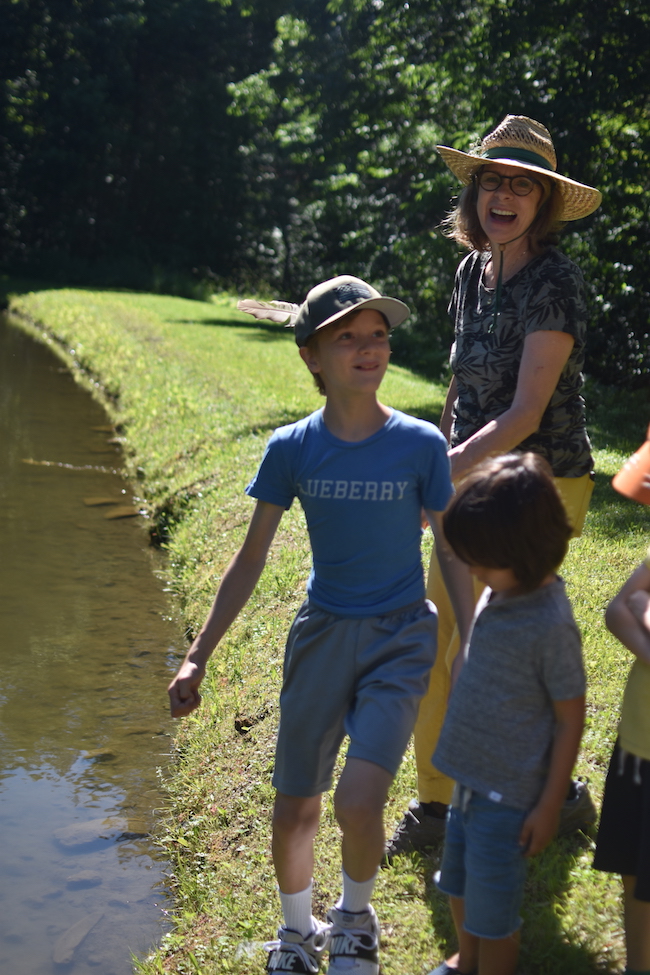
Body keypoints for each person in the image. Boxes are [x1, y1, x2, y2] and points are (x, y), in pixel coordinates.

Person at [167, 274, 474, 975]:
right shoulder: (292, 448)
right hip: (322, 635)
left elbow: (449, 545)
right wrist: (197, 656)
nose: (369, 349)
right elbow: (249, 561)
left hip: (402, 636)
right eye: (348, 338)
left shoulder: (421, 443)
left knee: (358, 799)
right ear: (312, 355)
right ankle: (296, 933)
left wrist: (474, 629)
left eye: (378, 335)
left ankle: (355, 918)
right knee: (294, 806)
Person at [388, 114, 602, 857]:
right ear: (475, 193)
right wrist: (440, 455)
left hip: (536, 489)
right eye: (492, 180)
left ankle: (559, 796)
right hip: (467, 479)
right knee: (435, 636)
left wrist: (438, 474)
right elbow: (462, 387)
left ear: (543, 200)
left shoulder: (556, 282)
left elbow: (523, 414)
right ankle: (437, 807)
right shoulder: (469, 272)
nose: (503, 195)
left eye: (521, 184)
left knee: (498, 648)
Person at [428, 452, 586, 975]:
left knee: (494, 912)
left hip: (509, 796)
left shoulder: (551, 624)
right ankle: (464, 959)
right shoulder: (499, 588)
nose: (472, 570)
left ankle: (488, 961)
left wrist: (546, 805)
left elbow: (569, 716)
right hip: (468, 782)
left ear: (524, 550)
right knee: (457, 884)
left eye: (480, 560)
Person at [592, 444, 650, 975]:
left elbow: (636, 607)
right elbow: (617, 610)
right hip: (638, 749)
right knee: (635, 871)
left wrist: (644, 612)